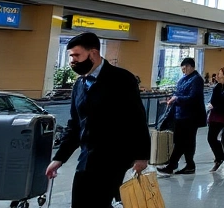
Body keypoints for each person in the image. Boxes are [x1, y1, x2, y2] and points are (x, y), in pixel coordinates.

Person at [45, 32, 150, 208]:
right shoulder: (79, 84)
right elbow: (75, 125)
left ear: (93, 53)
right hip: (87, 158)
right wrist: (59, 158)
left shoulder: (121, 79)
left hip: (115, 158)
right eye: (71, 56)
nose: (73, 61)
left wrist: (141, 156)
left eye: (77, 55)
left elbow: (137, 118)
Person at [159, 57, 207, 175]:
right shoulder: (183, 80)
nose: (183, 71)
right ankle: (185, 165)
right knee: (181, 141)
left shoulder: (196, 80)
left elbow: (194, 98)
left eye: (185, 68)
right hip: (180, 115)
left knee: (186, 141)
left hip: (191, 116)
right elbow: (178, 93)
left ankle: (175, 165)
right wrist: (172, 99)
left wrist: (177, 98)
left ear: (191, 66)